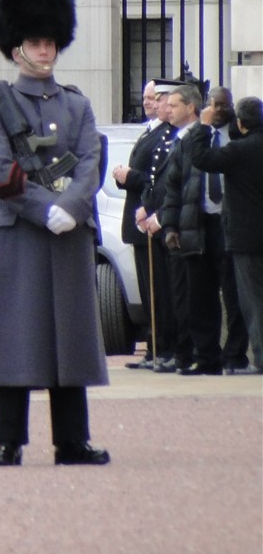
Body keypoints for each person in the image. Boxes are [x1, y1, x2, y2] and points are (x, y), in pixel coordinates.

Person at [0, 0, 110, 467]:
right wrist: (45, 210)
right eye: (35, 43)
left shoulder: (77, 106)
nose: (44, 52)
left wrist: (72, 208)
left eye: (49, 43)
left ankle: (73, 439)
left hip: (68, 233)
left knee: (70, 340)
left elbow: (90, 161)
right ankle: (9, 439)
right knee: (16, 340)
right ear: (16, 49)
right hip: (19, 234)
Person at [157, 82, 245, 376]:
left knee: (234, 294)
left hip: (230, 225)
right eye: (213, 104)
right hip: (198, 223)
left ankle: (235, 355)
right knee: (200, 295)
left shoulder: (239, 137)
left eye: (223, 105)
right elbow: (174, 186)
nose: (217, 110)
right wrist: (170, 225)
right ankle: (206, 357)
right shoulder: (193, 139)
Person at [187, 96, 263, 373]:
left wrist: (202, 126)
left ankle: (261, 358)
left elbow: (201, 158)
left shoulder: (239, 150)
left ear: (240, 123)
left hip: (246, 237)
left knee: (253, 301)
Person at [114, 80, 173, 368]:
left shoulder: (167, 134)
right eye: (147, 97)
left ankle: (162, 347)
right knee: (148, 291)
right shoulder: (149, 130)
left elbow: (155, 178)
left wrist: (130, 176)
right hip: (138, 219)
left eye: (154, 98)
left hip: (150, 217)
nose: (148, 102)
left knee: (158, 291)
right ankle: (154, 347)